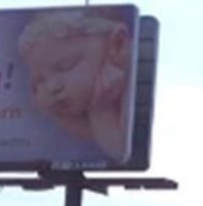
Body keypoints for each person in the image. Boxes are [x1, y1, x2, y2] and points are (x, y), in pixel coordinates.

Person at [18, 9, 133, 162]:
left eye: (66, 66)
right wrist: (59, 114)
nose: (52, 87)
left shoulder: (132, 91)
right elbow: (89, 136)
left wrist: (101, 111)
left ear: (117, 44)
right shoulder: (78, 108)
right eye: (39, 80)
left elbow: (119, 151)